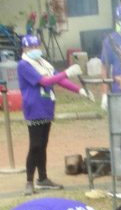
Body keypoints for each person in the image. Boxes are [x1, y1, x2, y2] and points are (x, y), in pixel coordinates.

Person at [17, 34, 87, 196]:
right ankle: (29, 181)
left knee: (42, 145)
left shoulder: (43, 63)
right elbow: (45, 81)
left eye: (36, 46)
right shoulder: (24, 65)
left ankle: (43, 178)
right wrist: (67, 72)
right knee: (35, 145)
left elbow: (58, 80)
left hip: (47, 106)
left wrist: (79, 90)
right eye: (31, 47)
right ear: (24, 49)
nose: (35, 49)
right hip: (34, 109)